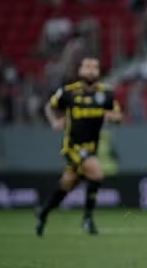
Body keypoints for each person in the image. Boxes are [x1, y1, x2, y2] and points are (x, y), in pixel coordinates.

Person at [35, 56, 122, 236]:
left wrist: (111, 117)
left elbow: (118, 115)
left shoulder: (106, 94)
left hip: (91, 148)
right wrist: (54, 121)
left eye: (94, 67)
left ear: (99, 72)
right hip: (73, 147)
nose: (90, 70)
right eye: (87, 67)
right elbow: (49, 107)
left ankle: (43, 212)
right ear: (80, 71)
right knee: (97, 173)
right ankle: (87, 219)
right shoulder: (68, 92)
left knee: (67, 184)